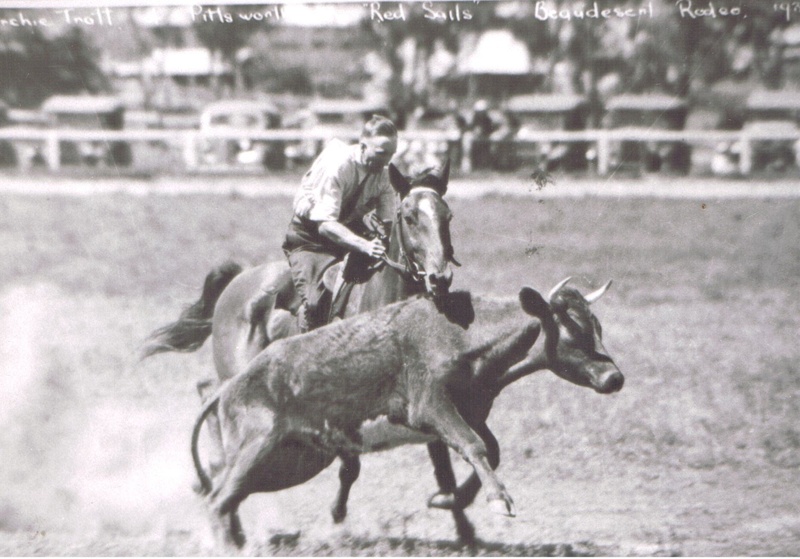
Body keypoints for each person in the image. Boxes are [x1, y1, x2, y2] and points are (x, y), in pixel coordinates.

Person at [282, 115, 399, 332]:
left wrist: (385, 235)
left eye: (392, 154)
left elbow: (388, 222)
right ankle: (304, 347)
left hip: (348, 235)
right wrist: (364, 245)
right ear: (363, 146)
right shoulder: (339, 166)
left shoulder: (383, 175)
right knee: (316, 303)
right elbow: (325, 225)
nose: (387, 161)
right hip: (311, 239)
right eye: (382, 153)